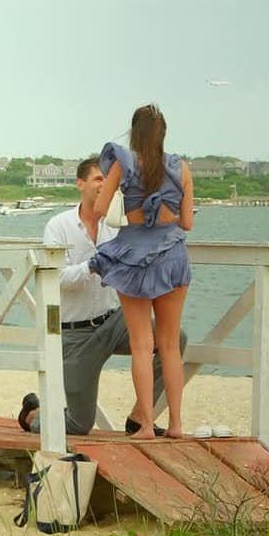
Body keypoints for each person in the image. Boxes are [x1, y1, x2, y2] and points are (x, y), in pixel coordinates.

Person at [17, 156, 181, 438]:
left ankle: (139, 418)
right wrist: (95, 264)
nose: (103, 184)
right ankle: (34, 415)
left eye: (107, 180)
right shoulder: (58, 226)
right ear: (80, 183)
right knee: (79, 426)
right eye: (97, 179)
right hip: (75, 335)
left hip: (113, 322)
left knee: (175, 340)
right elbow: (57, 280)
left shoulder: (117, 224)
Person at [87, 103, 193, 438]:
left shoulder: (123, 162)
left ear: (134, 133)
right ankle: (175, 424)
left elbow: (100, 210)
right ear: (164, 134)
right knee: (170, 345)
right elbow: (187, 222)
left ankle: (146, 424)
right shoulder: (182, 169)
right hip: (173, 255)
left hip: (134, 256)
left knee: (141, 344)